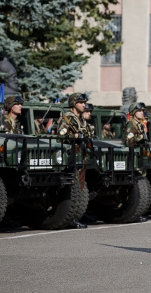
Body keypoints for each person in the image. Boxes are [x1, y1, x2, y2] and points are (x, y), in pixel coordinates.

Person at [54, 93, 90, 229]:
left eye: (84, 102)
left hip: (81, 156)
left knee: (80, 187)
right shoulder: (68, 118)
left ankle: (77, 215)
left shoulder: (81, 119)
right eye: (81, 102)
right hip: (72, 157)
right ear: (74, 103)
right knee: (73, 188)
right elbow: (60, 136)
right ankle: (70, 218)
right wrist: (73, 135)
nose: (83, 105)